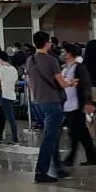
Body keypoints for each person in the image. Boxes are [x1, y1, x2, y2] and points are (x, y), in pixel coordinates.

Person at [27, 32, 72, 183]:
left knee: (53, 135)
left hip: (38, 102)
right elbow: (62, 83)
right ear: (47, 43)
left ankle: (57, 167)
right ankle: (41, 171)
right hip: (52, 101)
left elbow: (29, 81)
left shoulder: (30, 60)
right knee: (49, 138)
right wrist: (71, 82)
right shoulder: (52, 60)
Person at [59, 45, 96, 172]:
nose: (62, 54)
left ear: (70, 54)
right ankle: (92, 157)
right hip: (68, 104)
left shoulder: (79, 67)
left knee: (74, 132)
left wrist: (87, 102)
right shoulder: (65, 68)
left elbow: (86, 85)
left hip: (76, 104)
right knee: (82, 133)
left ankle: (71, 158)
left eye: (64, 52)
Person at [0, 50, 20, 144]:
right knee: (2, 117)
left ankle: (15, 139)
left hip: (4, 96)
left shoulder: (2, 69)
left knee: (10, 118)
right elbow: (16, 82)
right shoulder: (14, 69)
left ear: (0, 59)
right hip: (11, 95)